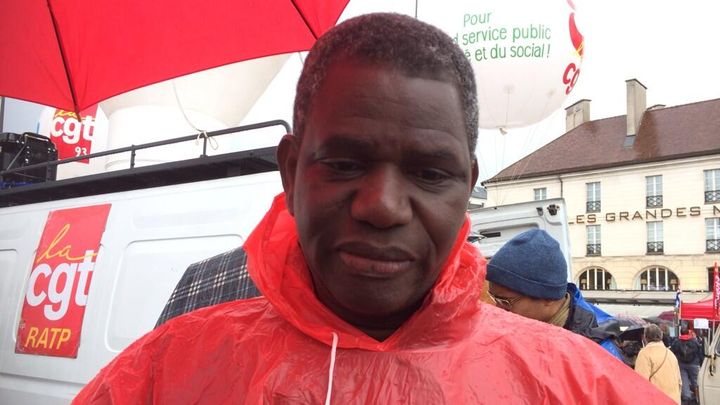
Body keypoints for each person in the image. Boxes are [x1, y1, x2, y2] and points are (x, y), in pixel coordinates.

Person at [73, 13, 675, 404]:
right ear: (290, 170)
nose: (383, 206)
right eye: (344, 163)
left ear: (467, 186)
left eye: (429, 173)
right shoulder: (162, 376)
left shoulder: (579, 388)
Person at [485, 228, 624, 360]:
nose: (497, 309)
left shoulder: (598, 355)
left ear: (547, 298)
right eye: (493, 297)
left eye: (505, 302)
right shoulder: (520, 328)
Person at [635, 324, 683, 403]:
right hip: (674, 400)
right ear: (661, 336)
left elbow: (641, 382)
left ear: (645, 337)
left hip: (656, 400)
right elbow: (679, 382)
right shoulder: (670, 354)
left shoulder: (644, 354)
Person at [670, 327, 703, 404]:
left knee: (684, 381)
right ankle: (698, 397)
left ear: (681, 333)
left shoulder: (677, 342)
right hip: (694, 364)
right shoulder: (694, 341)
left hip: (681, 364)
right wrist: (701, 363)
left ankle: (687, 398)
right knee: (695, 381)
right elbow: (699, 352)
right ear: (688, 332)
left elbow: (672, 352)